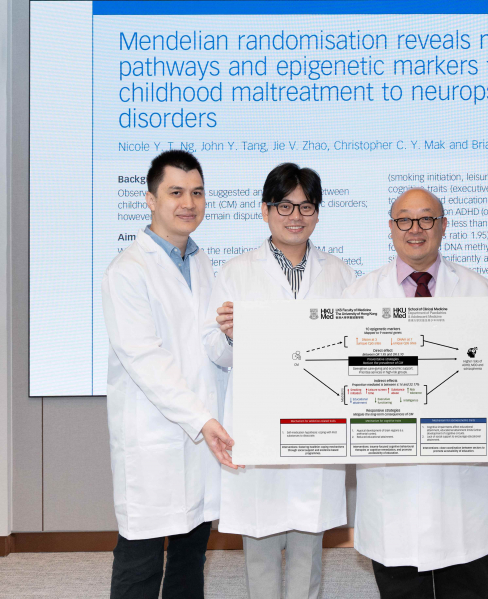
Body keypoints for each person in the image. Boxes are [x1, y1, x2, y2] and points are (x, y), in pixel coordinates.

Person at [342, 188, 488, 599]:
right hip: (393, 473)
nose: (415, 229)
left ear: (444, 225)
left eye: (427, 218)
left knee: (467, 587)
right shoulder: (359, 295)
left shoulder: (479, 289)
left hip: (461, 478)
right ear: (390, 228)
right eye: (404, 219)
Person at [201, 163, 355, 599]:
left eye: (306, 206)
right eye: (284, 205)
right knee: (260, 545)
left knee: (309, 551)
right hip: (260, 424)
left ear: (318, 213)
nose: (295, 216)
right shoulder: (236, 272)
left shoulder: (341, 273)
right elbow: (214, 350)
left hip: (317, 425)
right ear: (265, 210)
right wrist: (232, 335)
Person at [102, 150, 238, 599]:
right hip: (155, 433)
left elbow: (208, 346)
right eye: (176, 192)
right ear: (150, 200)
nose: (188, 203)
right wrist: (201, 419)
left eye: (197, 193)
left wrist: (231, 336)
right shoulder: (128, 270)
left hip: (200, 430)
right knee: (141, 561)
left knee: (190, 555)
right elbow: (144, 358)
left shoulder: (201, 262)